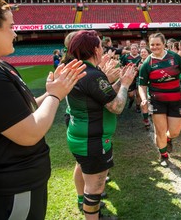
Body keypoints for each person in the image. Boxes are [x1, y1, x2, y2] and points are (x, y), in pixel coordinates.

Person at [0, 0, 87, 219]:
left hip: (23, 182)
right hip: (11, 187)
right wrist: (54, 95)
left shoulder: (1, 66)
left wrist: (55, 92)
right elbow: (30, 133)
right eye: (11, 26)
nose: (15, 32)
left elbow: (24, 112)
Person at [66, 30, 136, 220]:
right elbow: (117, 106)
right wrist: (125, 84)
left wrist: (118, 82)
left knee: (87, 179)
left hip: (82, 136)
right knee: (95, 188)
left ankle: (89, 209)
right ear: (95, 49)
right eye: (100, 45)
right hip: (93, 141)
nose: (103, 48)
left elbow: (101, 97)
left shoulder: (79, 70)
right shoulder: (92, 75)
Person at [138, 32, 181, 167]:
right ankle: (163, 155)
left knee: (174, 132)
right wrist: (144, 98)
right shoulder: (147, 63)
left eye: (158, 44)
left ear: (164, 44)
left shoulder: (174, 57)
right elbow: (142, 85)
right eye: (152, 45)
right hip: (157, 101)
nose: (155, 47)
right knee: (160, 131)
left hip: (175, 100)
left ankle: (168, 139)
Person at [121, 43, 142, 112]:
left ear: (138, 50)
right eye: (132, 49)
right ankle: (131, 100)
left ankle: (138, 106)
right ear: (130, 50)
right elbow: (122, 66)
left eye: (135, 49)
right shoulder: (126, 57)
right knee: (131, 95)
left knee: (139, 93)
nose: (134, 50)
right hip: (129, 77)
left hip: (139, 76)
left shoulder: (141, 57)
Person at [138, 47, 152, 129]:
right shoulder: (139, 62)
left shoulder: (152, 61)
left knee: (150, 101)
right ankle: (146, 119)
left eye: (144, 52)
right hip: (142, 83)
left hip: (151, 84)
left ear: (148, 53)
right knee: (144, 101)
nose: (143, 53)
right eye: (141, 52)